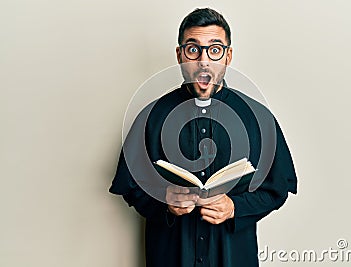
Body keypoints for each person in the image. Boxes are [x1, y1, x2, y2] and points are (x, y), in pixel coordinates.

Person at [109, 8, 297, 267]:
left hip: (232, 257)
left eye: (215, 49)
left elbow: (276, 189)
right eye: (193, 49)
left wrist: (235, 207)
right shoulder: (152, 116)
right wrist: (165, 201)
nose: (204, 61)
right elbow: (131, 187)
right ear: (180, 55)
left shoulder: (259, 118)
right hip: (171, 256)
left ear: (228, 56)